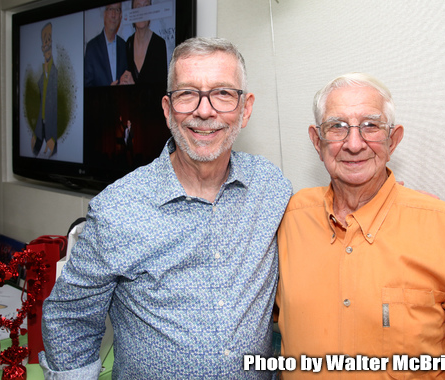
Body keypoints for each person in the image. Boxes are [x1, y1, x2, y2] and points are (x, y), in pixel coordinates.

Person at [39, 37, 292, 379]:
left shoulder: (270, 188)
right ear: (167, 109)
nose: (205, 111)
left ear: (245, 109)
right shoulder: (117, 209)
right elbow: (71, 318)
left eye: (222, 93)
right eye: (187, 93)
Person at [275, 73, 445, 379]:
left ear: (393, 139)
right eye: (337, 126)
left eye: (371, 125)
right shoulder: (285, 220)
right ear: (318, 142)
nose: (354, 144)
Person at [84, 3, 130, 87]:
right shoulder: (92, 47)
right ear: (105, 14)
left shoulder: (124, 46)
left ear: (120, 16)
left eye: (117, 10)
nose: (113, 15)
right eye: (110, 9)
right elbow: (87, 87)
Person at [125, 0, 168, 86]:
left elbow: (161, 88)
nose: (142, 12)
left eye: (146, 7)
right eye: (138, 7)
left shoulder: (159, 44)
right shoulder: (127, 44)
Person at [32, 22, 57, 157]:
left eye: (49, 39)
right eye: (44, 40)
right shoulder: (42, 76)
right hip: (41, 132)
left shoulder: (58, 74)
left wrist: (52, 136)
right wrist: (36, 134)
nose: (45, 44)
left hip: (51, 136)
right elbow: (41, 107)